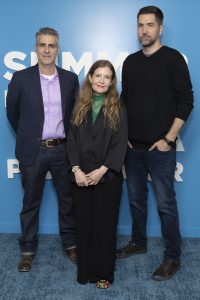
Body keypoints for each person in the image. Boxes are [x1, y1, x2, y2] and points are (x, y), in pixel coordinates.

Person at [116, 6, 194, 281]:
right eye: (140, 25)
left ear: (160, 28)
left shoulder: (173, 59)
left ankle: (173, 256)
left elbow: (187, 101)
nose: (144, 30)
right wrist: (122, 133)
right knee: (136, 200)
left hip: (160, 149)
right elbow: (125, 100)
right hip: (132, 149)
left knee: (165, 205)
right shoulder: (130, 62)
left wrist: (168, 138)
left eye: (150, 25)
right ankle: (139, 242)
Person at [6, 27, 79, 272]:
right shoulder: (20, 78)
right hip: (33, 151)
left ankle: (70, 244)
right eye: (42, 45)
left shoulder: (70, 79)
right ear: (36, 48)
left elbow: (74, 116)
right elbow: (13, 114)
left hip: (62, 150)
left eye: (51, 45)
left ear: (57, 49)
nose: (47, 50)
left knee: (67, 201)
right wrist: (30, 137)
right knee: (30, 202)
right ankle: (27, 249)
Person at [67, 60, 128, 288]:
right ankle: (85, 271)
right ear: (90, 78)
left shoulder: (119, 107)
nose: (102, 80)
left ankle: (104, 273)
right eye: (98, 75)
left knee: (104, 226)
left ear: (112, 82)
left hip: (107, 177)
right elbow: (71, 141)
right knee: (84, 224)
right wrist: (76, 169)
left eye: (107, 77)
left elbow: (120, 144)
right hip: (80, 177)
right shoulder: (78, 105)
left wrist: (102, 170)